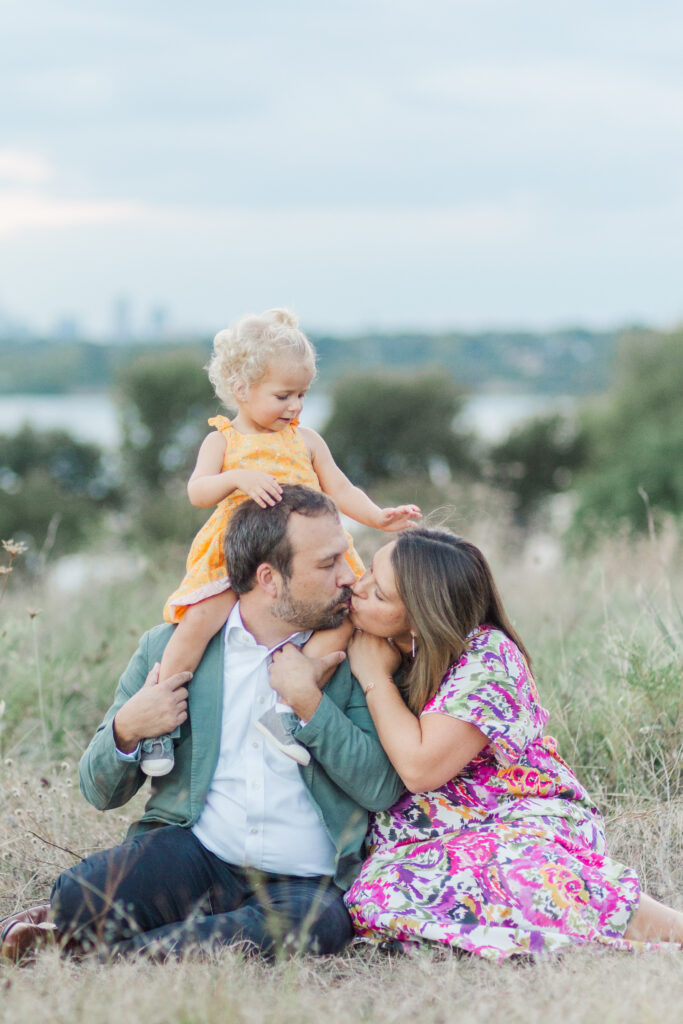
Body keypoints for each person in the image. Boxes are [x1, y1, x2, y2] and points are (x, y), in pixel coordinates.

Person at [0, 487, 404, 963]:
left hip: (305, 882)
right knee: (77, 894)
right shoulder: (169, 650)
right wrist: (127, 729)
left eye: (346, 558)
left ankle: (93, 957)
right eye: (328, 563)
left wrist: (309, 704)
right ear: (269, 578)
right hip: (199, 853)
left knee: (317, 928)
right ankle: (98, 932)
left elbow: (380, 788)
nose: (349, 577)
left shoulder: (358, 653)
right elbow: (98, 791)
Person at [270, 527, 683, 961]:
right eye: (370, 569)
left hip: (514, 813)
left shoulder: (488, 655)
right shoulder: (381, 633)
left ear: (421, 618)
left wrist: (374, 677)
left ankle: (658, 927)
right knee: (377, 893)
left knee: (515, 869)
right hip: (430, 836)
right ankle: (535, 936)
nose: (359, 586)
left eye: (381, 594)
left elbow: (419, 768)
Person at [141, 307, 420, 776]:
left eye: (302, 394)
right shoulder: (224, 440)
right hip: (242, 554)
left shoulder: (306, 439)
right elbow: (196, 491)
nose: (295, 406)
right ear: (241, 389)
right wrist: (237, 477)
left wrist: (377, 516)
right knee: (197, 621)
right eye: (283, 395)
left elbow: (341, 488)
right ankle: (159, 717)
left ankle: (286, 708)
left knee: (344, 617)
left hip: (308, 554)